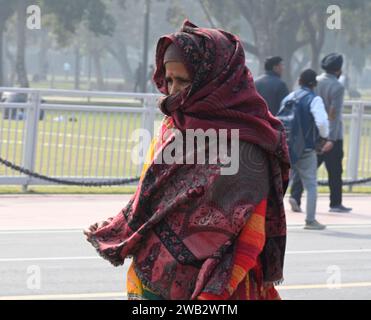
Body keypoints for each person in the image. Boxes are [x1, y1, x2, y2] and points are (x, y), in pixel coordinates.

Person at [84, 20, 290, 300]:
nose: (172, 91)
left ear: (215, 79)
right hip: (153, 279)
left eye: (183, 81)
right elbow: (152, 195)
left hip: (218, 287)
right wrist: (118, 223)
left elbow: (250, 233)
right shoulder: (173, 126)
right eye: (168, 80)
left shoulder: (249, 142)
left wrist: (212, 294)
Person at [289, 53, 352, 213]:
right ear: (338, 70)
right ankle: (335, 203)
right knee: (335, 171)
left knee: (306, 168)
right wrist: (330, 138)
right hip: (331, 136)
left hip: (313, 134)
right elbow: (334, 113)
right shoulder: (337, 86)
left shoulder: (316, 81)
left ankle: (295, 196)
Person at [280, 69, 329, 230]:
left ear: (299, 81)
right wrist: (324, 137)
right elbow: (322, 123)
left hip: (285, 146)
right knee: (311, 185)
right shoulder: (314, 99)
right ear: (314, 83)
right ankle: (310, 220)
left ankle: (269, 219)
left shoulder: (289, 97)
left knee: (278, 184)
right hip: (306, 148)